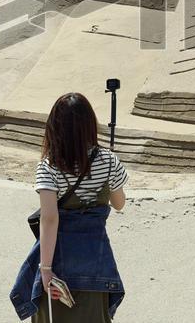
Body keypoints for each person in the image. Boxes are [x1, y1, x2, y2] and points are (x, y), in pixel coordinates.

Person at [11, 93, 128, 322]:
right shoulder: (108, 160)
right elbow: (119, 203)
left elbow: (49, 220)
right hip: (97, 262)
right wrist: (109, 173)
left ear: (54, 127)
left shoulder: (49, 165)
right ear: (89, 125)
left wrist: (46, 270)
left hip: (58, 264)